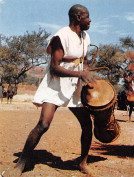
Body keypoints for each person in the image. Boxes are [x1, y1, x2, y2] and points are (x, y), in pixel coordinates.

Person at [7, 4, 99, 176]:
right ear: (78, 17)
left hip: (75, 86)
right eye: (87, 16)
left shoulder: (85, 36)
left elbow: (83, 60)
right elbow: (55, 67)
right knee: (43, 124)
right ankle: (21, 163)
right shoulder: (61, 36)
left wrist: (86, 75)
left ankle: (83, 162)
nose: (90, 20)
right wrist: (80, 73)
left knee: (87, 125)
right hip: (56, 85)